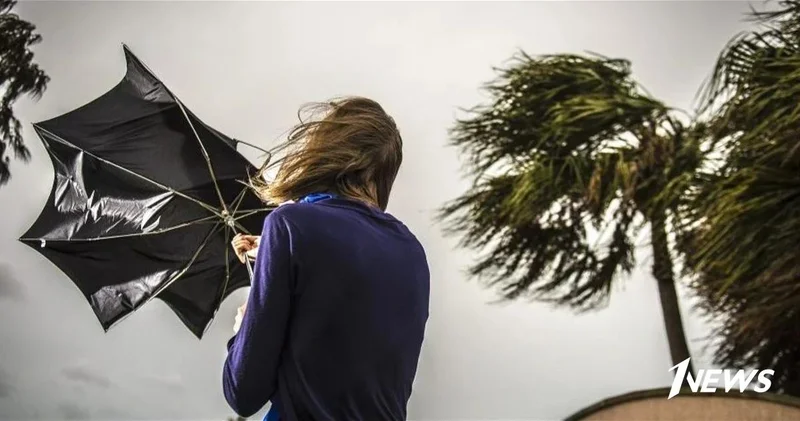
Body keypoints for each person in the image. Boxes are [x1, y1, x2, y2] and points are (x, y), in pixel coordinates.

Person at [222, 97, 430, 421]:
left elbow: (243, 393)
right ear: (386, 173)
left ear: (324, 151)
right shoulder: (413, 252)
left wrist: (243, 326)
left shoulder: (290, 225)